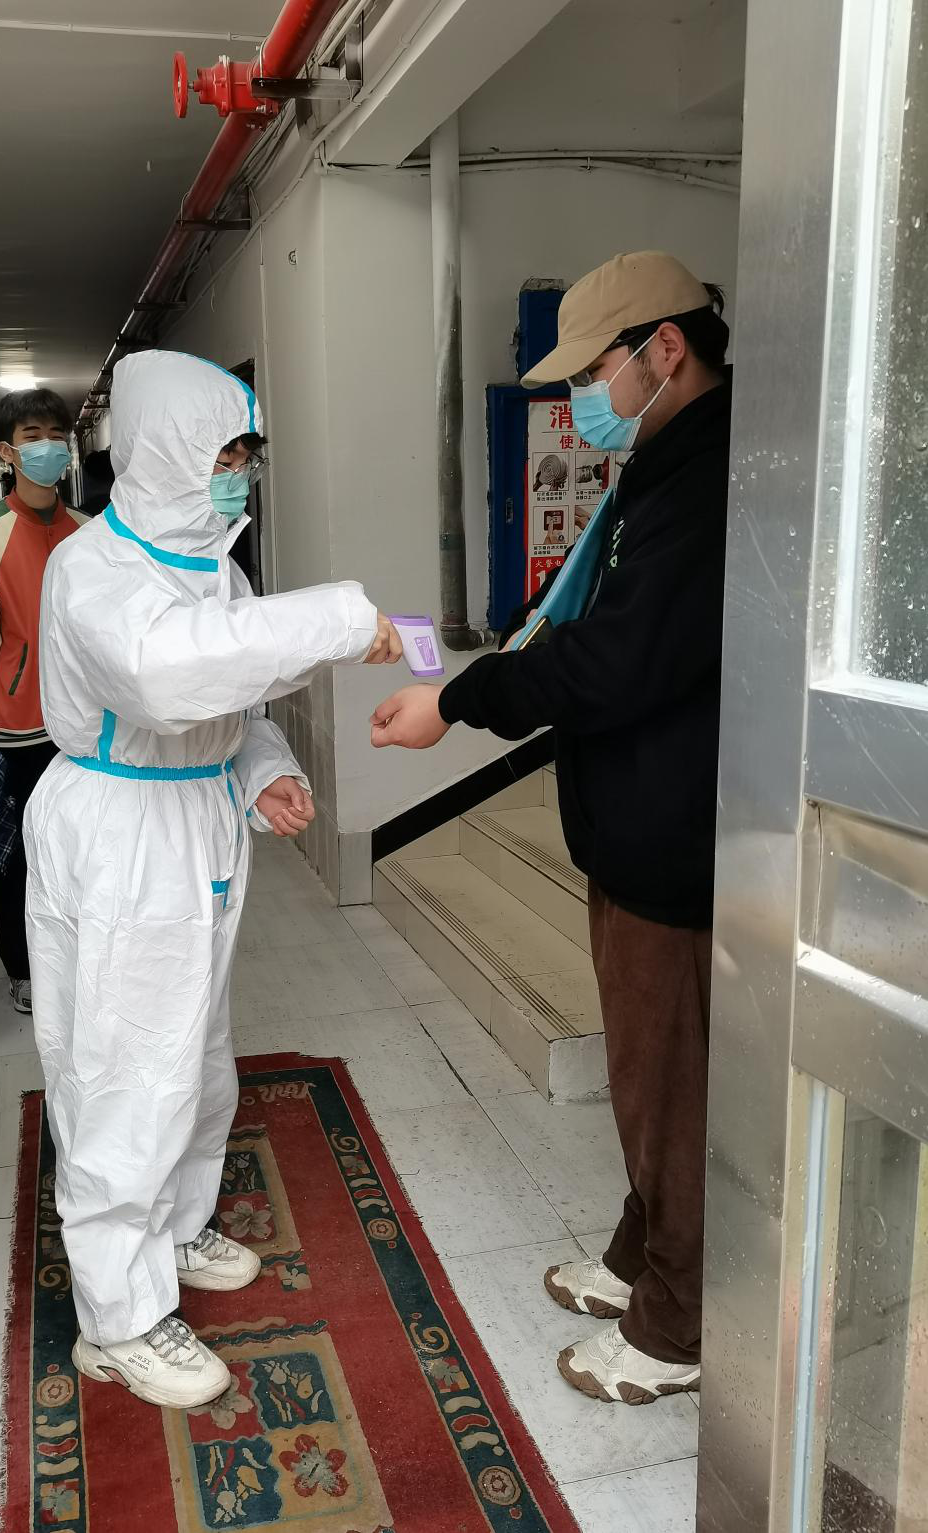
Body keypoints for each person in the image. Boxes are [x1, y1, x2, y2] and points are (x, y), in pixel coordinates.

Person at [370, 251, 731, 1406]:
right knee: (643, 1078)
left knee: (670, 1085)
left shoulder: (712, 478)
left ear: (664, 348)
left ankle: (680, 1325)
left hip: (675, 842)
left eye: (592, 371)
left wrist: (458, 699)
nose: (583, 398)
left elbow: (617, 659)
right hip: (633, 829)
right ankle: (642, 1254)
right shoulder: (658, 469)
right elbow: (578, 625)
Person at [24, 350, 401, 1410]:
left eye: (245, 455)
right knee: (123, 1070)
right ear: (162, 454)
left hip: (193, 821)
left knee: (192, 1053)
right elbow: (166, 678)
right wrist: (340, 619)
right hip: (124, 829)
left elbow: (235, 695)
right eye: (222, 455)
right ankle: (118, 1320)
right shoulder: (92, 568)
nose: (238, 475)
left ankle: (176, 1227)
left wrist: (262, 770)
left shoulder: (215, 568)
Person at [0, 388, 84, 1013]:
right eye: (33, 436)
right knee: (16, 854)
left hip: (85, 725)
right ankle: (24, 968)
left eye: (57, 434)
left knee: (83, 846)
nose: (48, 446)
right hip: (16, 727)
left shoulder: (90, 532)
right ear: (7, 452)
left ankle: (80, 956)